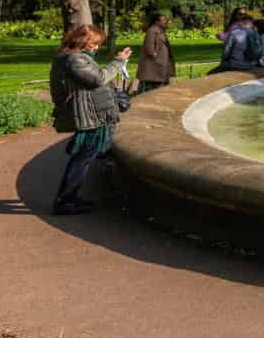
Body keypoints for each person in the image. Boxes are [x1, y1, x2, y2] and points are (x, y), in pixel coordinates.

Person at [49, 25, 130, 215]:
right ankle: (65, 200)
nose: (96, 48)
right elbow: (98, 79)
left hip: (92, 112)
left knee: (87, 154)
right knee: (83, 157)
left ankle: (69, 198)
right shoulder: (73, 59)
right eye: (94, 43)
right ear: (82, 41)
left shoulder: (72, 57)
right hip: (90, 115)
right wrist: (118, 62)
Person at [136, 12, 174, 92]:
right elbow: (149, 48)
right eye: (163, 20)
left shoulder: (160, 31)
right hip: (154, 66)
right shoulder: (152, 31)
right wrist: (155, 55)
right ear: (156, 22)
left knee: (160, 87)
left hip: (159, 65)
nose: (165, 22)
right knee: (153, 89)